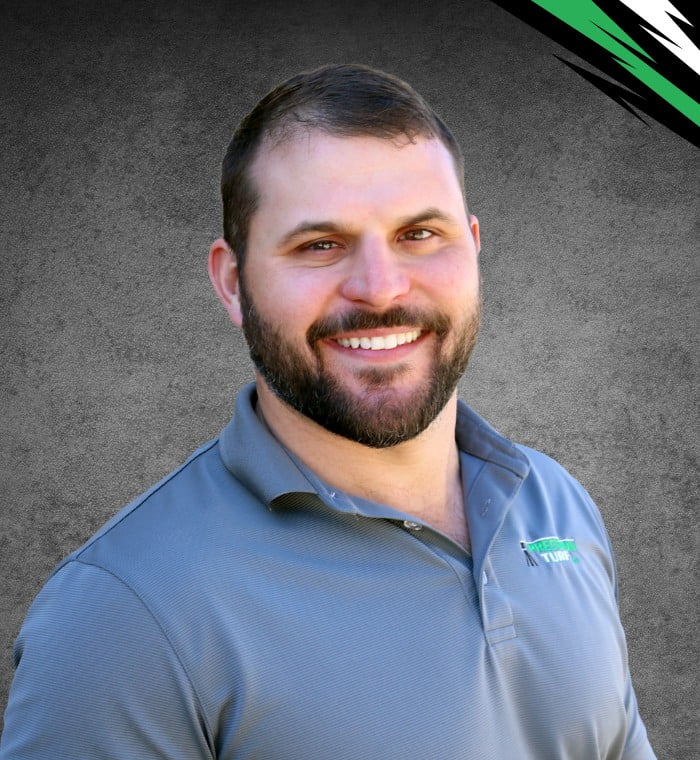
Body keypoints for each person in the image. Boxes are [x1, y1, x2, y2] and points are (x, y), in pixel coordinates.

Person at [0, 64, 655, 759]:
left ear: (473, 247)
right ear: (232, 282)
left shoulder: (556, 506)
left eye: (420, 234)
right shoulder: (120, 612)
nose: (380, 288)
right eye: (320, 245)